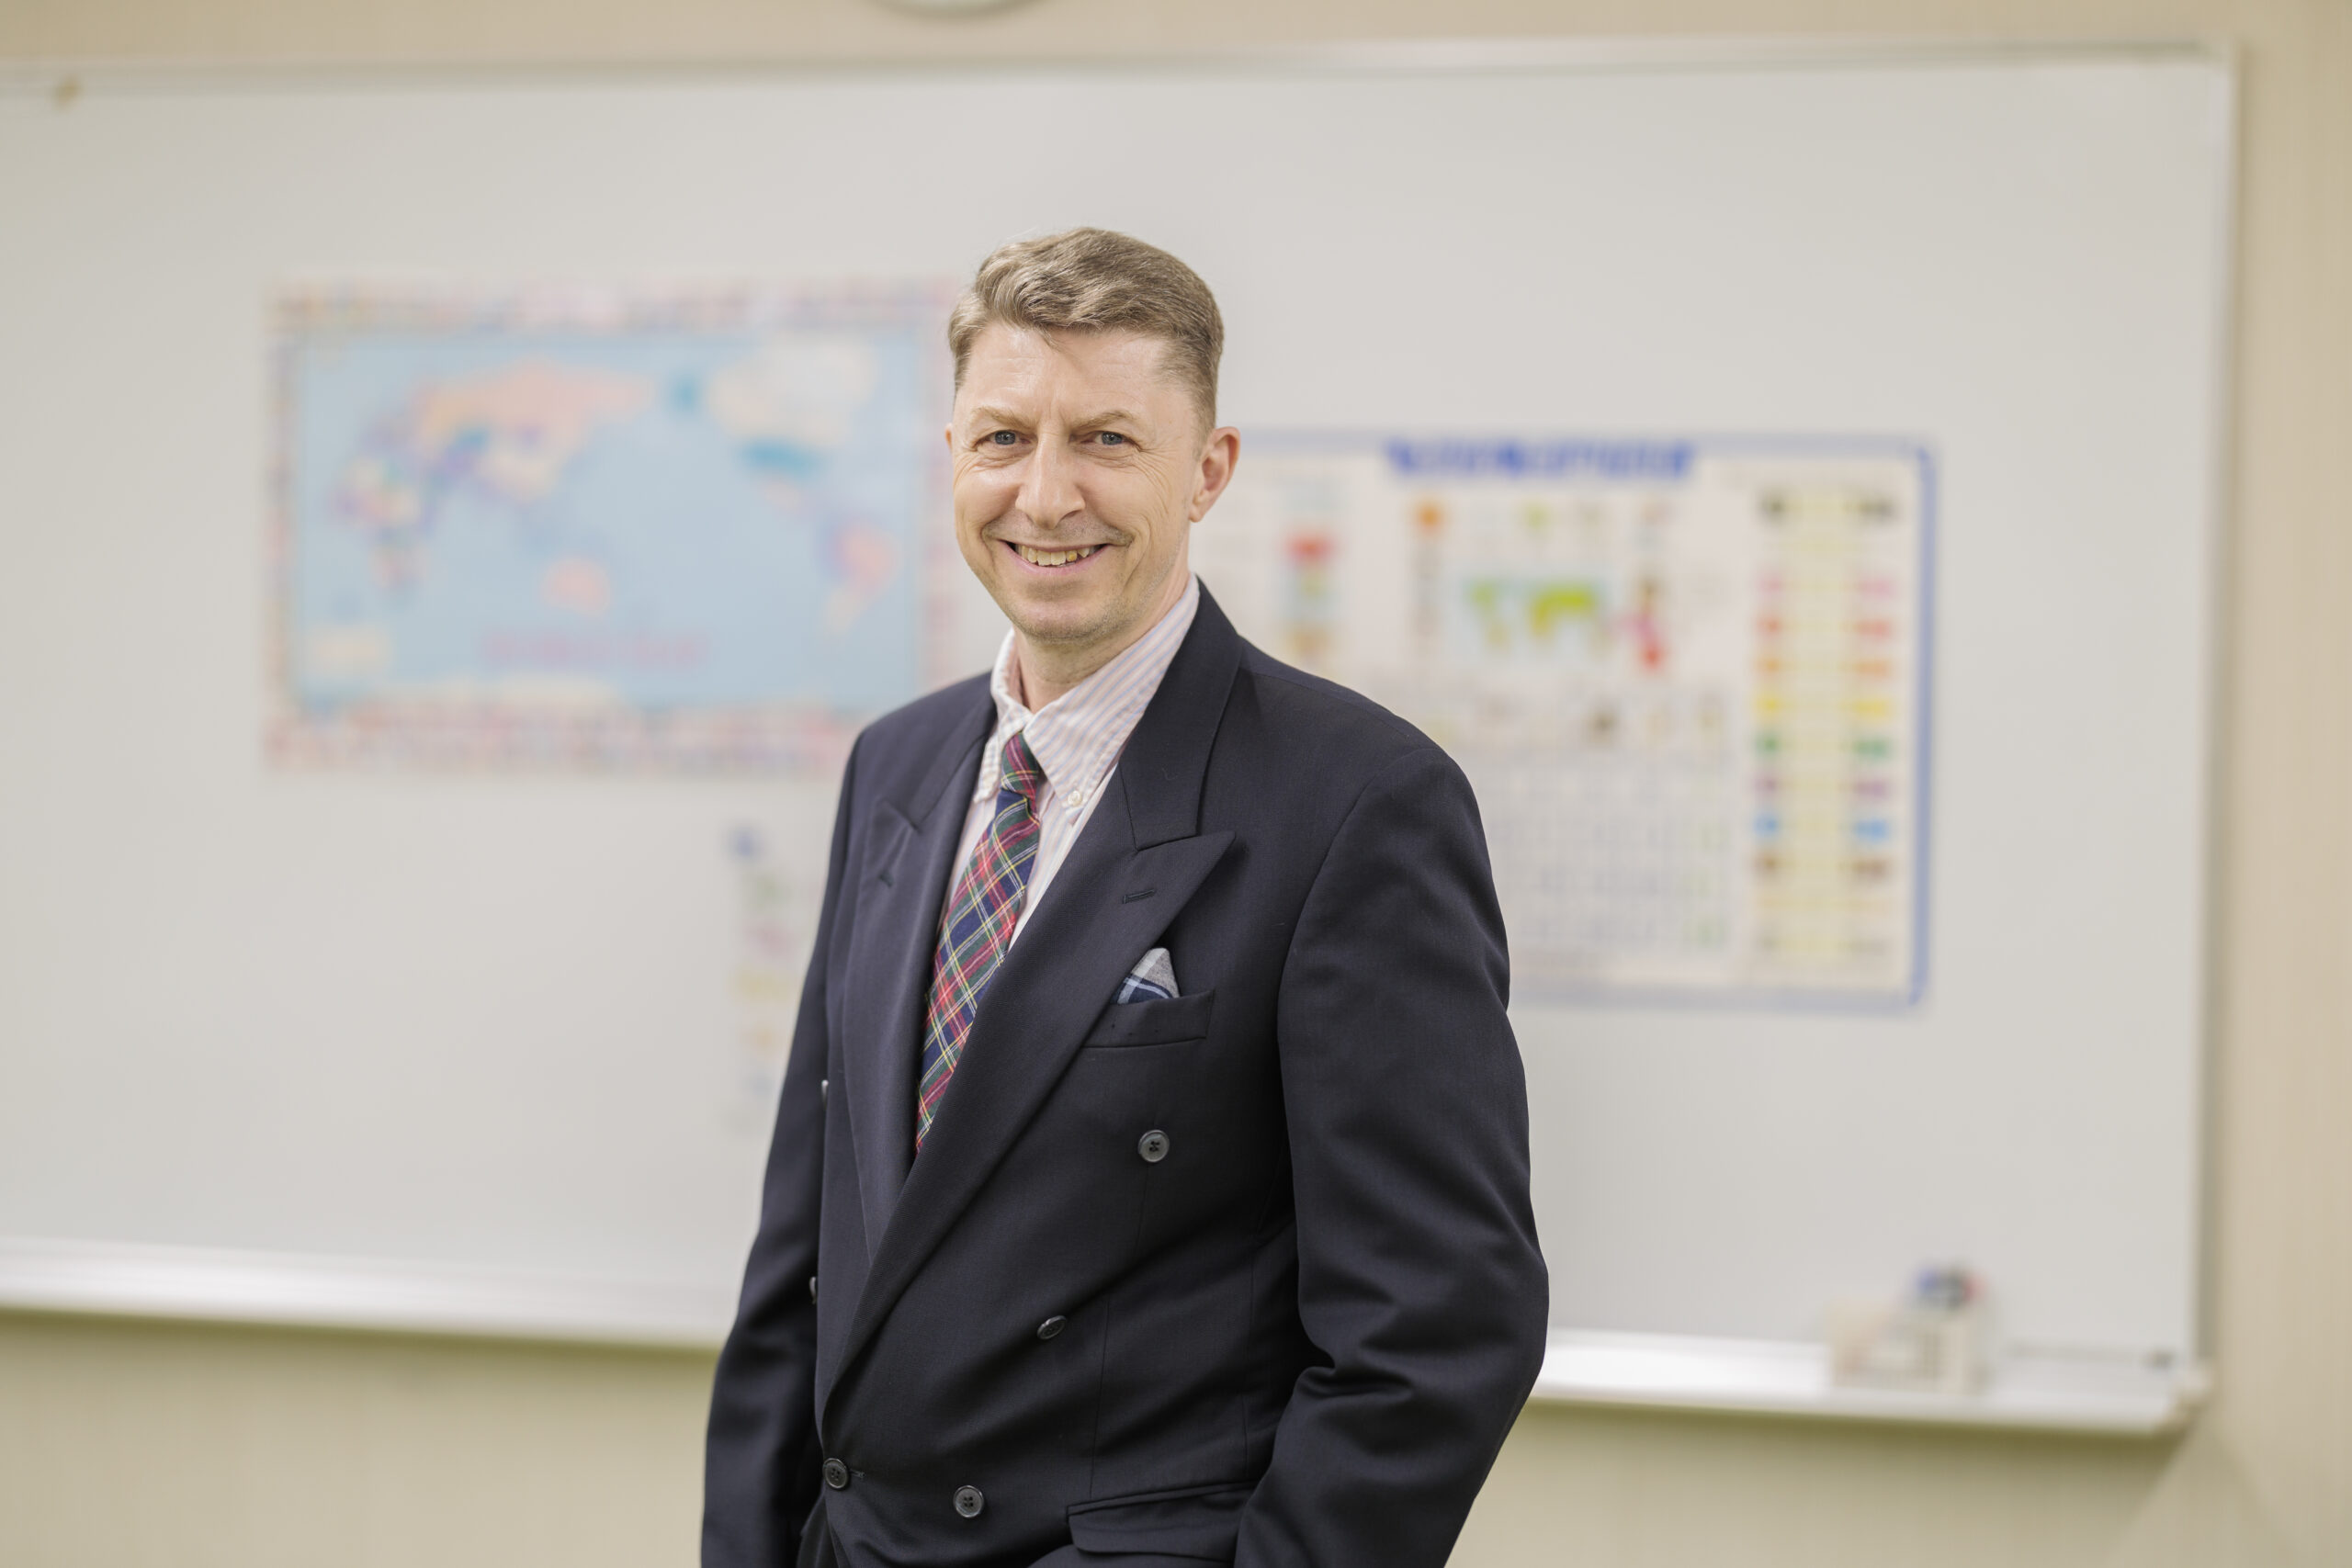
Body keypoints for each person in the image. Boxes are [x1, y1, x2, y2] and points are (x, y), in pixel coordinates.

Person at [703, 228, 1547, 1568]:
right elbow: (803, 1259)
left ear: (1207, 470)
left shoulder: (1358, 803)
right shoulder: (896, 768)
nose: (1045, 497)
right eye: (1004, 439)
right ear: (952, 455)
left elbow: (1436, 1329)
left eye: (1105, 440)